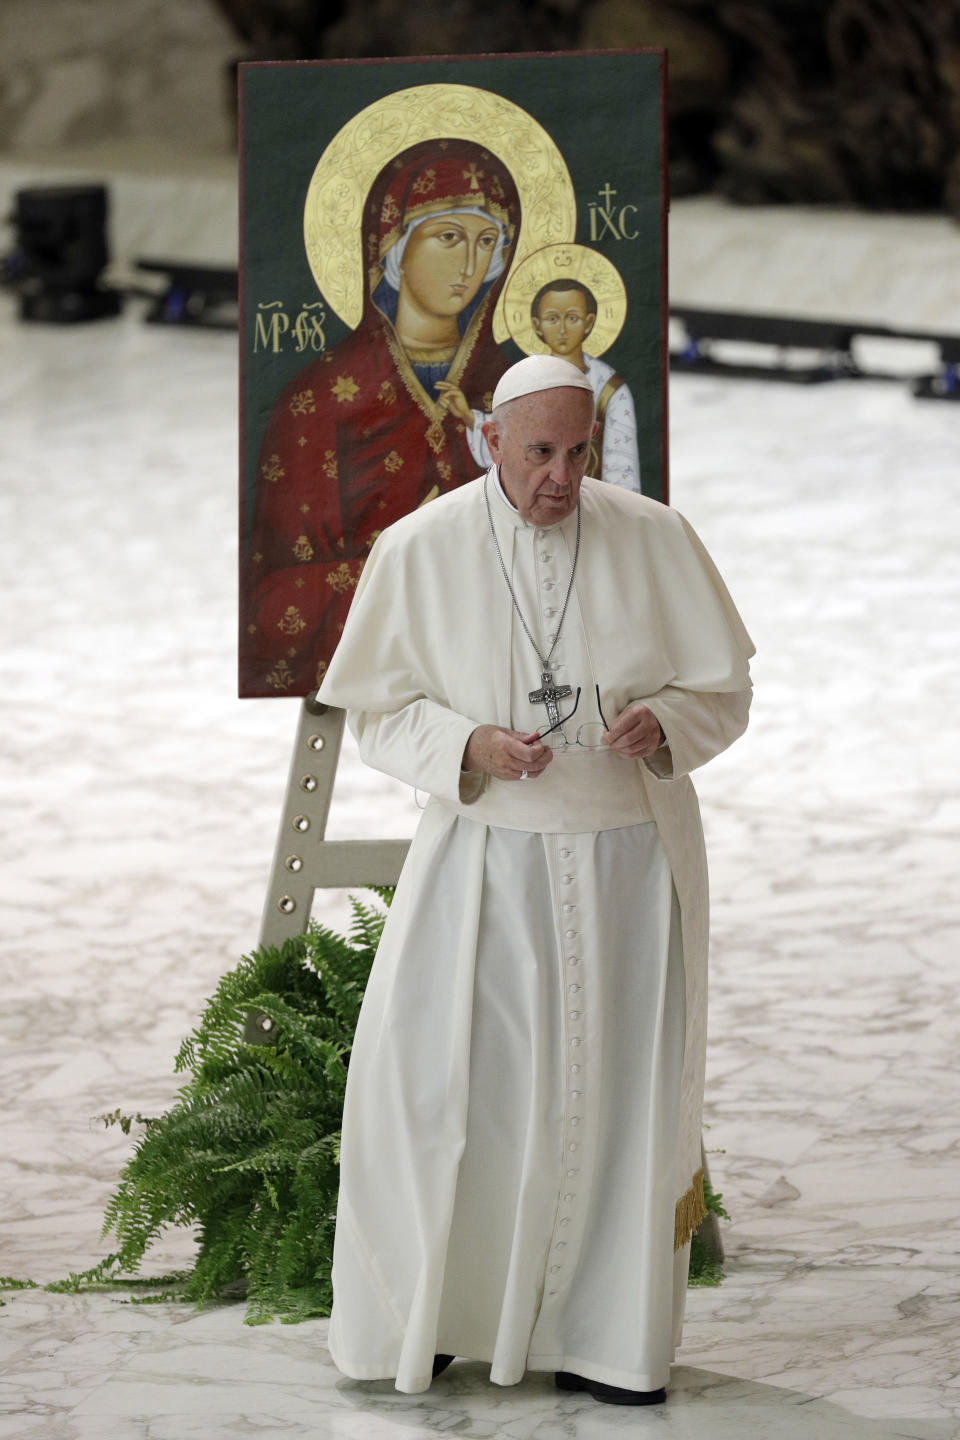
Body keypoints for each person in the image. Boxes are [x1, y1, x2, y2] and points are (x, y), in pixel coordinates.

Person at [316, 354, 754, 1404]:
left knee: (616, 1104)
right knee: (452, 1096)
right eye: (540, 453)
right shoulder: (420, 550)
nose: (561, 477)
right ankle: (432, 1320)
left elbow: (725, 691)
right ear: (490, 443)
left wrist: (670, 724)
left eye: (579, 451)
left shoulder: (653, 536)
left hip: (629, 874)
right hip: (482, 871)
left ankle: (605, 1341)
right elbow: (374, 709)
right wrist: (467, 742)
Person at [239, 138, 521, 698]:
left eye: (487, 242)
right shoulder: (321, 399)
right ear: (393, 245)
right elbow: (275, 604)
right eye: (448, 237)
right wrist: (409, 570)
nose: (471, 265)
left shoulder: (517, 389)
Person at [440, 279, 641, 493]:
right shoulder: (523, 379)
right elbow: (508, 446)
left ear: (589, 322)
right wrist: (467, 416)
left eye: (572, 318)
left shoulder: (611, 390)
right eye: (552, 318)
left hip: (590, 507)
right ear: (537, 325)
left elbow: (622, 472)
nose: (562, 328)